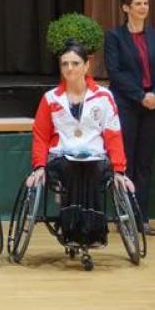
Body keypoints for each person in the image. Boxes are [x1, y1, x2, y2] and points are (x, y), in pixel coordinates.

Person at [26, 41, 132, 248]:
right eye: (65, 64)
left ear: (86, 66)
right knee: (71, 167)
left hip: (96, 158)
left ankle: (93, 231)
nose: (69, 68)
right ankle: (72, 230)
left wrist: (119, 169)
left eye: (75, 63)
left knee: (92, 168)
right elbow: (40, 136)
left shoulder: (104, 97)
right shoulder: (50, 98)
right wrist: (39, 166)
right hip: (61, 158)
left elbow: (113, 134)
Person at [103, 0, 155, 235]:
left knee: (145, 163)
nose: (144, 7)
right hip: (127, 104)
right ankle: (123, 215)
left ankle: (141, 218)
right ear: (126, 8)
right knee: (126, 161)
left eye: (146, 3)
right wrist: (140, 95)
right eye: (138, 3)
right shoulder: (114, 37)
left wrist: (154, 94)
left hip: (153, 104)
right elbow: (115, 73)